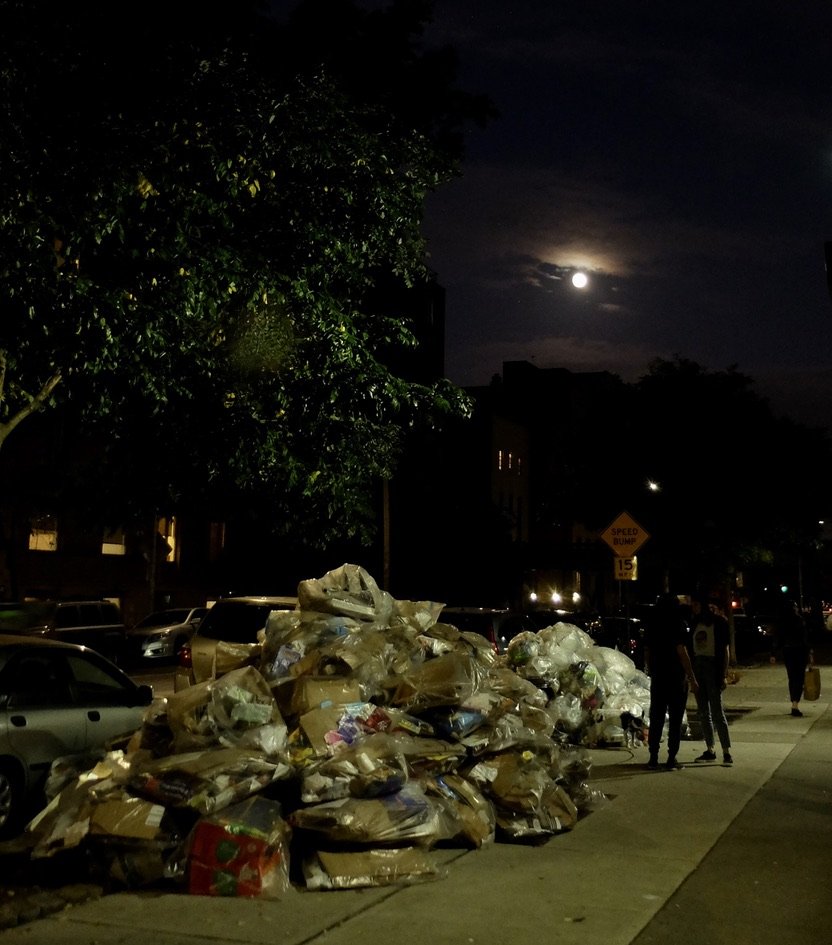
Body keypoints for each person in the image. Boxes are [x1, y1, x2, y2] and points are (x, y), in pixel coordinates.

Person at [643, 592, 699, 770]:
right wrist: (691, 677)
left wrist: (651, 670)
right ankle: (671, 758)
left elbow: (647, 652)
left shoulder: (652, 624)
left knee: (657, 717)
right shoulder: (678, 623)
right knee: (675, 720)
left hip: (659, 677)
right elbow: (682, 652)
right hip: (676, 677)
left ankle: (653, 757)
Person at [689, 593, 733, 765]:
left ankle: (726, 751)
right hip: (699, 668)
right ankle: (710, 748)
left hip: (712, 668)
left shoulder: (719, 623)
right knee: (703, 712)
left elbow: (725, 650)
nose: (693, 609)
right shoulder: (694, 623)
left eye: (695, 605)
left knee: (716, 712)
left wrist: (723, 674)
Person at [767, 598, 813, 716]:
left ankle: (794, 702)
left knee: (792, 677)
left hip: (788, 651)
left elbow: (777, 638)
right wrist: (809, 652)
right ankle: (795, 703)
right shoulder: (799, 621)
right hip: (800, 651)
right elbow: (805, 638)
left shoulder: (782, 622)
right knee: (799, 677)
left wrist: (773, 653)